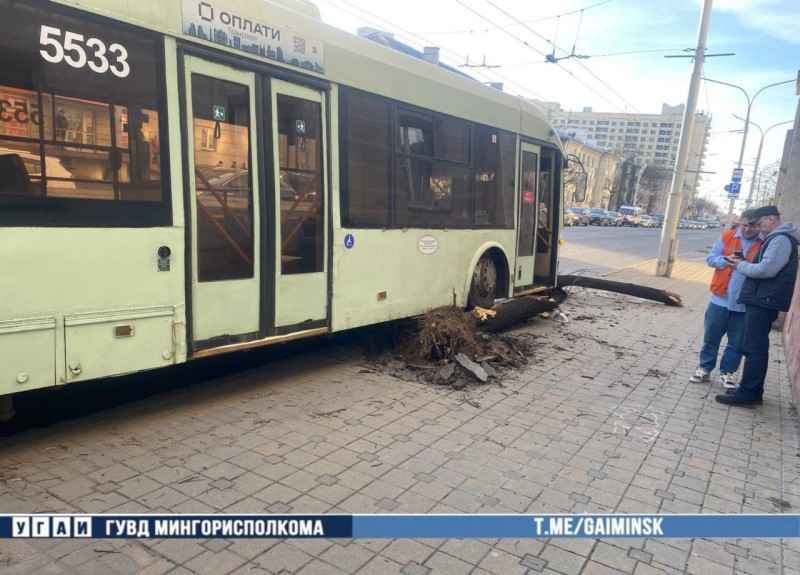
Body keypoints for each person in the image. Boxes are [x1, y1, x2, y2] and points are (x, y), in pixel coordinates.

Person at [716, 206, 799, 406]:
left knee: (755, 347)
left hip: (764, 300)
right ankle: (750, 390)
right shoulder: (778, 237)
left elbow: (766, 270)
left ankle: (749, 393)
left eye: (760, 223)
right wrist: (745, 261)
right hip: (763, 298)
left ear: (771, 219)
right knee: (753, 345)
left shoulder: (780, 239)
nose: (758, 228)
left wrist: (740, 265)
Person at [690, 210, 762, 387]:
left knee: (737, 342)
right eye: (744, 224)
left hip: (743, 303)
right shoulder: (728, 236)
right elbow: (711, 259)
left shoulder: (763, 243)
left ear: (759, 226)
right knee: (711, 337)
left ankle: (728, 373)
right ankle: (704, 368)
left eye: (752, 226)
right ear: (740, 222)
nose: (747, 229)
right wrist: (724, 260)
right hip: (719, 299)